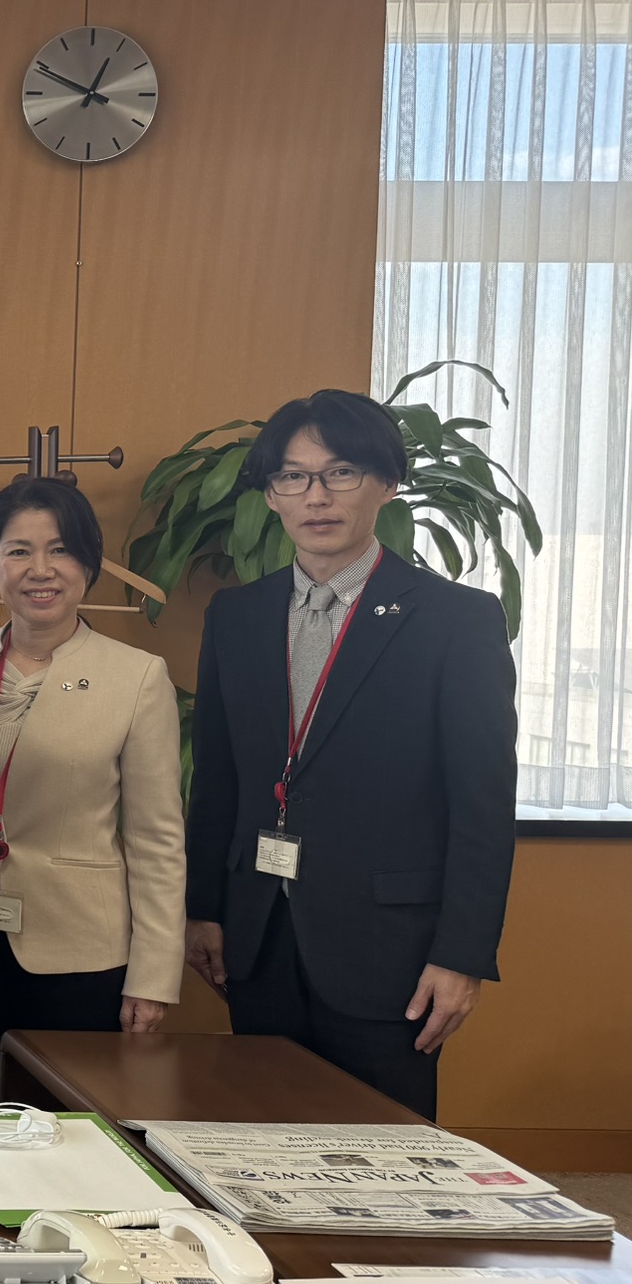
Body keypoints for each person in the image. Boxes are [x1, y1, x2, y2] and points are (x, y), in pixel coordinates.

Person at [186, 390, 515, 1119]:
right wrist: (202, 910)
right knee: (260, 1144)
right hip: (259, 938)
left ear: (386, 482)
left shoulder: (455, 620)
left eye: (340, 472)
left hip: (389, 950)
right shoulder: (237, 616)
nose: (317, 496)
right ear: (271, 495)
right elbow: (217, 780)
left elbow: (482, 805)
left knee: (379, 1154)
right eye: (293, 476)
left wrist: (462, 956)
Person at [0, 477, 185, 1109]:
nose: (40, 570)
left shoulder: (137, 677)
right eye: (18, 550)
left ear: (89, 563)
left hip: (80, 953)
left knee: (65, 1126)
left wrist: (153, 976)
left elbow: (156, 838)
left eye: (61, 549)